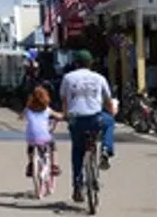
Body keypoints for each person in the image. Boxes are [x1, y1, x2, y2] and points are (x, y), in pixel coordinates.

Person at [59, 49, 116, 204]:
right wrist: (111, 112)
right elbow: (107, 101)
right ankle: (106, 149)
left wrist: (66, 116)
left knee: (77, 150)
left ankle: (77, 184)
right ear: (91, 63)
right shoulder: (99, 78)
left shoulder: (68, 78)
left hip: (76, 120)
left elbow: (64, 101)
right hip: (95, 119)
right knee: (109, 122)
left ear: (75, 63)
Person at [20, 85, 63, 178]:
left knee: (30, 147)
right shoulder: (47, 110)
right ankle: (54, 165)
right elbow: (59, 116)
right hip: (44, 137)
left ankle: (31, 164)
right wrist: (62, 116)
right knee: (52, 144)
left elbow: (21, 117)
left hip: (31, 137)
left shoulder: (27, 110)